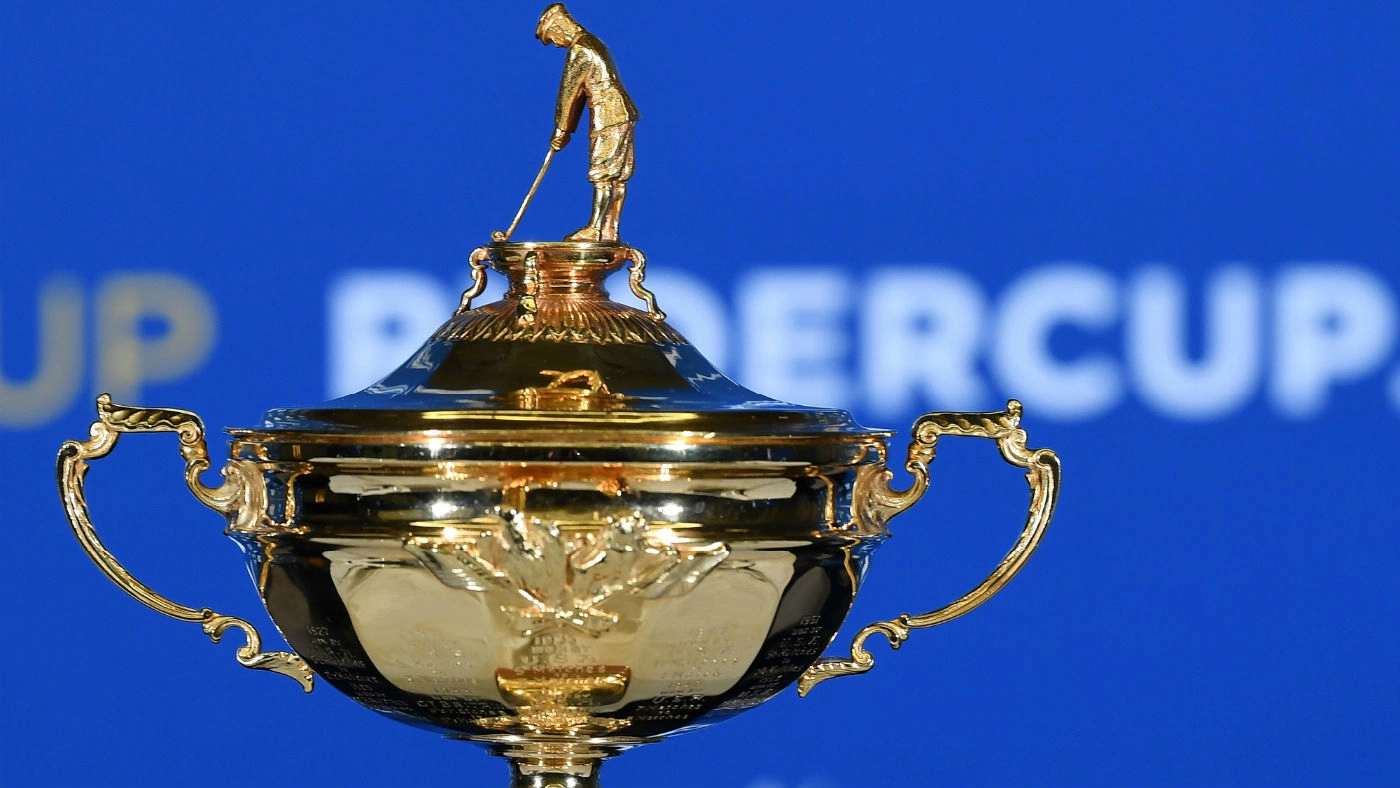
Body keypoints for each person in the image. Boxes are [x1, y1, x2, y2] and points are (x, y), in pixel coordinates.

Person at [536, 4, 639, 242]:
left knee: (603, 173)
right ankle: (609, 230)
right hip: (622, 114)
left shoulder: (580, 50)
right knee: (617, 176)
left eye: (552, 38)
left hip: (608, 116)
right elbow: (580, 95)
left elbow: (569, 94)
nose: (556, 44)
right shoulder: (594, 42)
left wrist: (561, 130)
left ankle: (595, 229)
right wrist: (566, 130)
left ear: (559, 28)